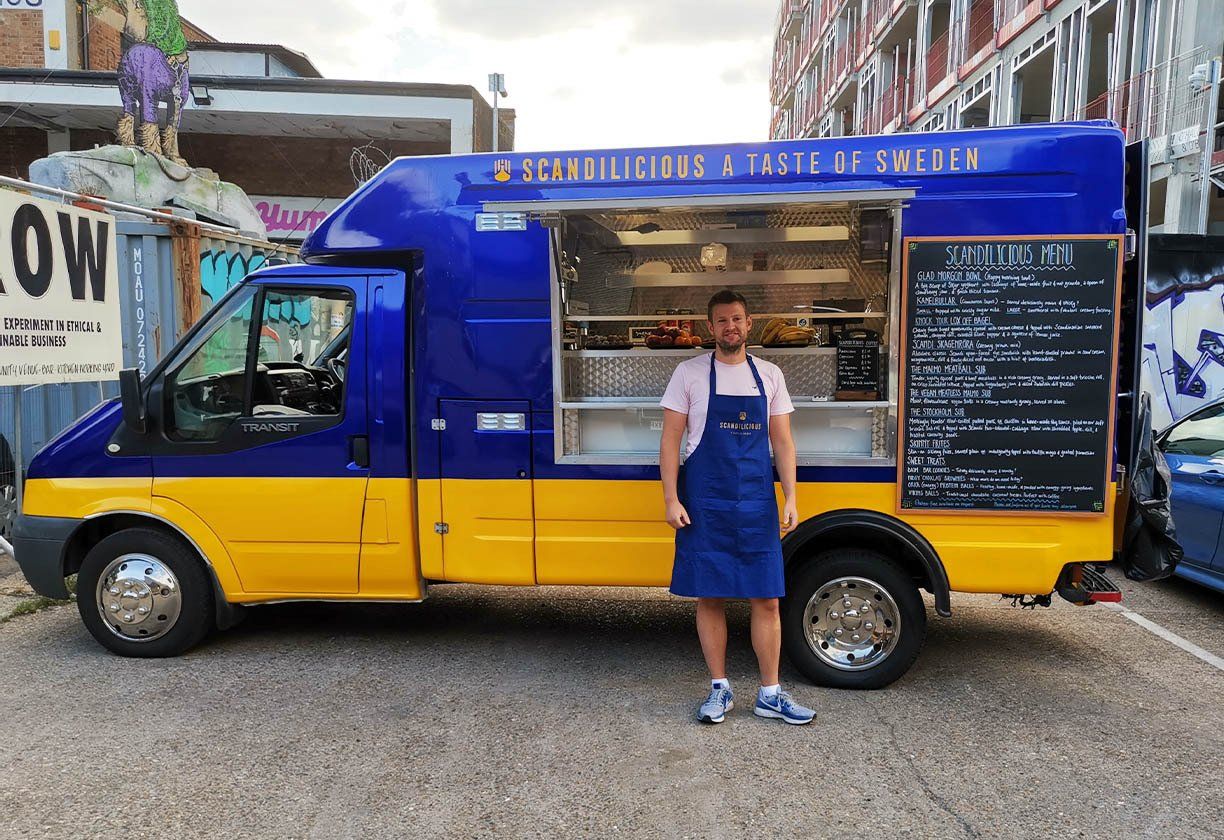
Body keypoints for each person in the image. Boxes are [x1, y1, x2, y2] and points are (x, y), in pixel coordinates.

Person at [659, 289, 815, 725]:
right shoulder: (688, 373)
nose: (731, 326)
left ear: (749, 325)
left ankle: (770, 692)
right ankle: (720, 689)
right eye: (723, 320)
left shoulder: (769, 375)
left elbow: (782, 441)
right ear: (712, 328)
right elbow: (671, 441)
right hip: (704, 503)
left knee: (766, 599)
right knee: (710, 597)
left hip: (755, 504)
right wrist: (671, 498)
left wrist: (791, 496)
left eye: (738, 319)